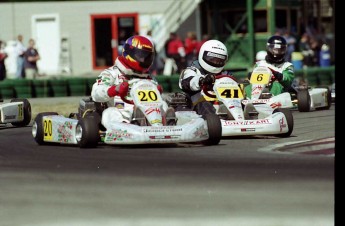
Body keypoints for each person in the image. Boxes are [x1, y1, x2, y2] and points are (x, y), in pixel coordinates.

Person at [91, 35, 165, 130]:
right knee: (109, 113)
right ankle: (125, 128)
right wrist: (114, 90)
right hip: (121, 112)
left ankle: (165, 124)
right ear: (129, 53)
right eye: (141, 56)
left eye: (147, 57)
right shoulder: (112, 73)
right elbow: (96, 93)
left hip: (148, 115)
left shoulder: (150, 78)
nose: (144, 60)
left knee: (164, 105)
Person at [178, 39, 228, 116]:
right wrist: (202, 80)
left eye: (219, 60)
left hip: (223, 106)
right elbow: (188, 83)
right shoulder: (192, 71)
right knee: (205, 105)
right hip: (198, 108)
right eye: (212, 59)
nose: (215, 62)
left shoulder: (225, 74)